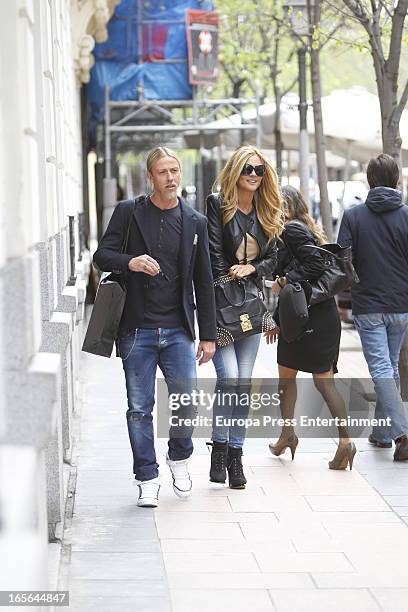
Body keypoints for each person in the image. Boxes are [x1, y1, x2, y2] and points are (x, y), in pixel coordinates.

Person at [93, 146, 216, 507]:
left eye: (175, 170)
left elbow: (203, 280)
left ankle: (179, 458)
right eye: (163, 172)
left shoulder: (195, 221)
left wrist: (207, 335)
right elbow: (102, 256)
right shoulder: (129, 213)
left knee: (186, 402)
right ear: (151, 177)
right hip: (137, 328)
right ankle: (146, 475)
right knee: (139, 408)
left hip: (178, 328)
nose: (171, 178)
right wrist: (131, 262)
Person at [206, 145, 283, 488]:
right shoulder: (217, 205)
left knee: (244, 383)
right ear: (236, 171)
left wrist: (252, 268)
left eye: (259, 170)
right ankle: (218, 448)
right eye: (248, 169)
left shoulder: (266, 211)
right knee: (230, 378)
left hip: (251, 306)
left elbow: (274, 260)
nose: (253, 175)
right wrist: (233, 278)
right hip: (222, 307)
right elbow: (213, 255)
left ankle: (235, 455)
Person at [269, 185, 356, 470]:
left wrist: (283, 281)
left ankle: (291, 434)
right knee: (319, 381)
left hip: (306, 317)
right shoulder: (306, 228)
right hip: (314, 314)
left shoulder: (292, 229)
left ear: (286, 206)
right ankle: (338, 441)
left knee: (288, 378)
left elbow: (313, 267)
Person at [338, 153, 408, 461]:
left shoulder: (353, 216)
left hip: (368, 304)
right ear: (397, 179)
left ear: (369, 180)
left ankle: (403, 434)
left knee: (381, 367)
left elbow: (341, 261)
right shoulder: (407, 215)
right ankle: (382, 434)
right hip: (401, 305)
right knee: (388, 367)